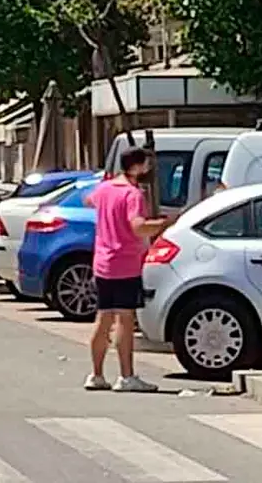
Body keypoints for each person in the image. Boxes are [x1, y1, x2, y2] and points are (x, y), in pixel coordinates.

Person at [83, 147, 175, 392]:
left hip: (102, 262)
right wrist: (164, 224)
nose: (149, 170)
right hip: (125, 263)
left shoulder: (105, 189)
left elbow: (88, 200)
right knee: (124, 318)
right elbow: (138, 227)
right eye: (146, 165)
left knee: (103, 318)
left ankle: (96, 374)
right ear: (135, 166)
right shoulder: (133, 195)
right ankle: (126, 376)